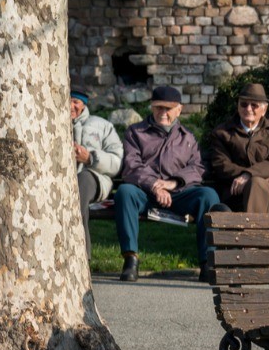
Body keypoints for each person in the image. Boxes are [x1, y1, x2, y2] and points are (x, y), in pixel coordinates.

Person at [115, 86, 220, 282]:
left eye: (168, 109)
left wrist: (172, 183)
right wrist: (155, 184)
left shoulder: (187, 137)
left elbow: (197, 168)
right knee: (124, 192)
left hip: (178, 194)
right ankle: (130, 259)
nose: (163, 113)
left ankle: (207, 262)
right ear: (152, 107)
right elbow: (132, 164)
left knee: (208, 196)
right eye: (158, 108)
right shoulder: (135, 132)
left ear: (179, 110)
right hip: (144, 193)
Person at [208, 83, 269, 213]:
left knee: (258, 184)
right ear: (238, 106)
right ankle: (261, 232)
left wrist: (250, 175)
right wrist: (256, 177)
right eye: (243, 104)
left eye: (254, 105)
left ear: (264, 109)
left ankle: (256, 232)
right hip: (237, 193)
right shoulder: (222, 133)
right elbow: (222, 165)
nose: (248, 109)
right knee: (256, 183)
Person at [71, 87, 124, 259]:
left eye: (75, 101)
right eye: (66, 100)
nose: (70, 106)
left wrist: (90, 158)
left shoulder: (102, 125)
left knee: (79, 189)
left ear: (84, 104)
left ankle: (82, 258)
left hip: (94, 178)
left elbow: (116, 163)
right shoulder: (48, 123)